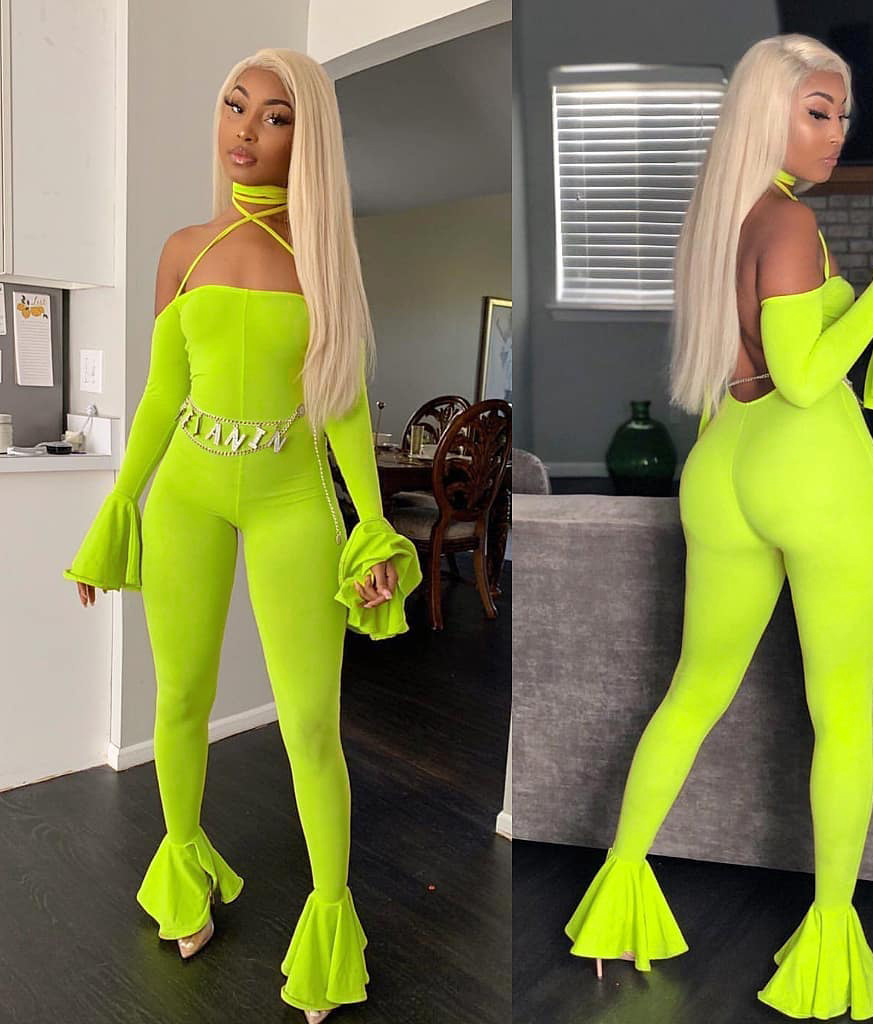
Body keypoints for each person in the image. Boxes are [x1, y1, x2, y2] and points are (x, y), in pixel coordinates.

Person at [563, 33, 873, 1021]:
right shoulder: (788, 223)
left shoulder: (720, 222)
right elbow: (804, 375)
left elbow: (741, 370)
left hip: (722, 469)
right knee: (843, 716)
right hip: (811, 470)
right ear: (765, 113)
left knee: (690, 694)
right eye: (816, 111)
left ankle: (616, 898)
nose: (836, 133)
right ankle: (827, 944)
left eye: (843, 115)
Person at [64, 49, 422, 1024]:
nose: (245, 130)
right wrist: (118, 508)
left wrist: (373, 527)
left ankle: (330, 921)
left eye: (274, 116)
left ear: (308, 140)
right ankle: (183, 876)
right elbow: (161, 395)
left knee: (310, 723)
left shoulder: (325, 264)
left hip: (289, 499)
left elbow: (340, 406)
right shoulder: (183, 249)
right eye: (235, 105)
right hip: (185, 493)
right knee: (179, 697)